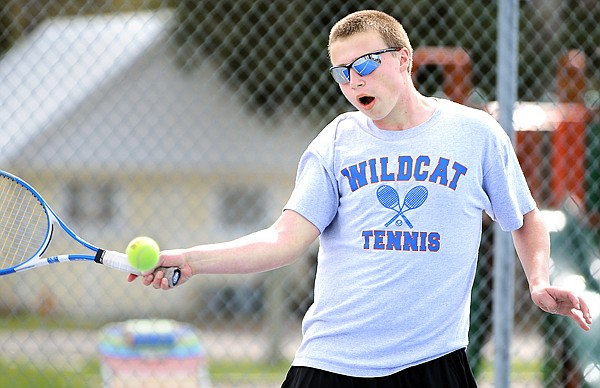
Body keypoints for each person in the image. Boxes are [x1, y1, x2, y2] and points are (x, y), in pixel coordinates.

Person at [129, 9, 593, 387]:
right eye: (342, 72)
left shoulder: (475, 136)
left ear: (404, 59)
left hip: (432, 363)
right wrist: (191, 260)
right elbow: (282, 240)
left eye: (366, 64)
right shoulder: (335, 143)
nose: (354, 80)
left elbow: (525, 219)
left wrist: (536, 281)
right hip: (330, 363)